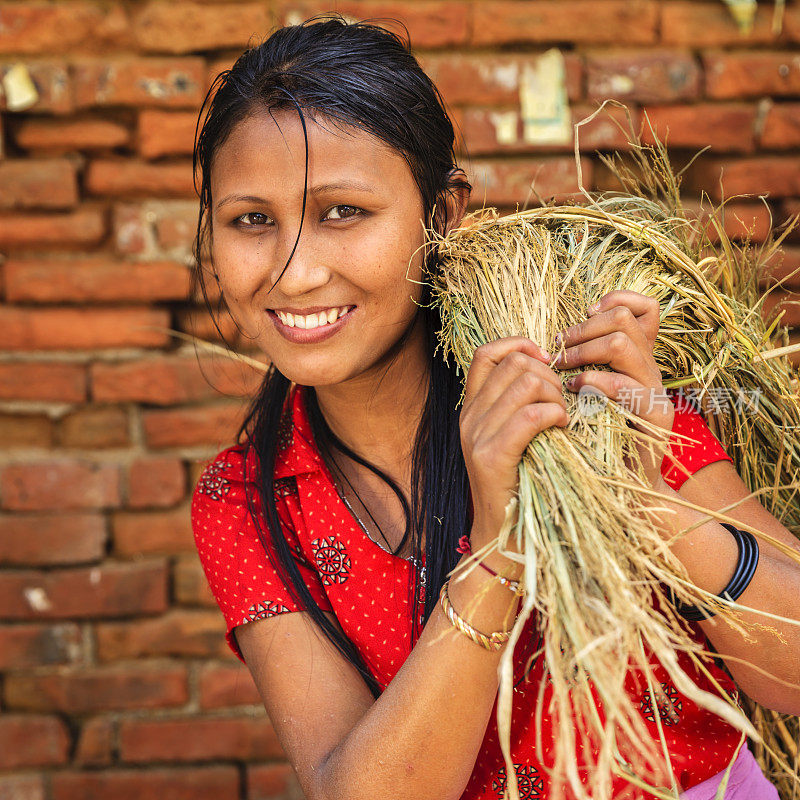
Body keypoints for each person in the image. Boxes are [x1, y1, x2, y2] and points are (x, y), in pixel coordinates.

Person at [189, 17, 800, 800]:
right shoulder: (251, 499)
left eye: (343, 211)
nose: (296, 272)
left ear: (442, 216)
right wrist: (500, 550)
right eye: (252, 220)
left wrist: (646, 493)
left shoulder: (576, 377)